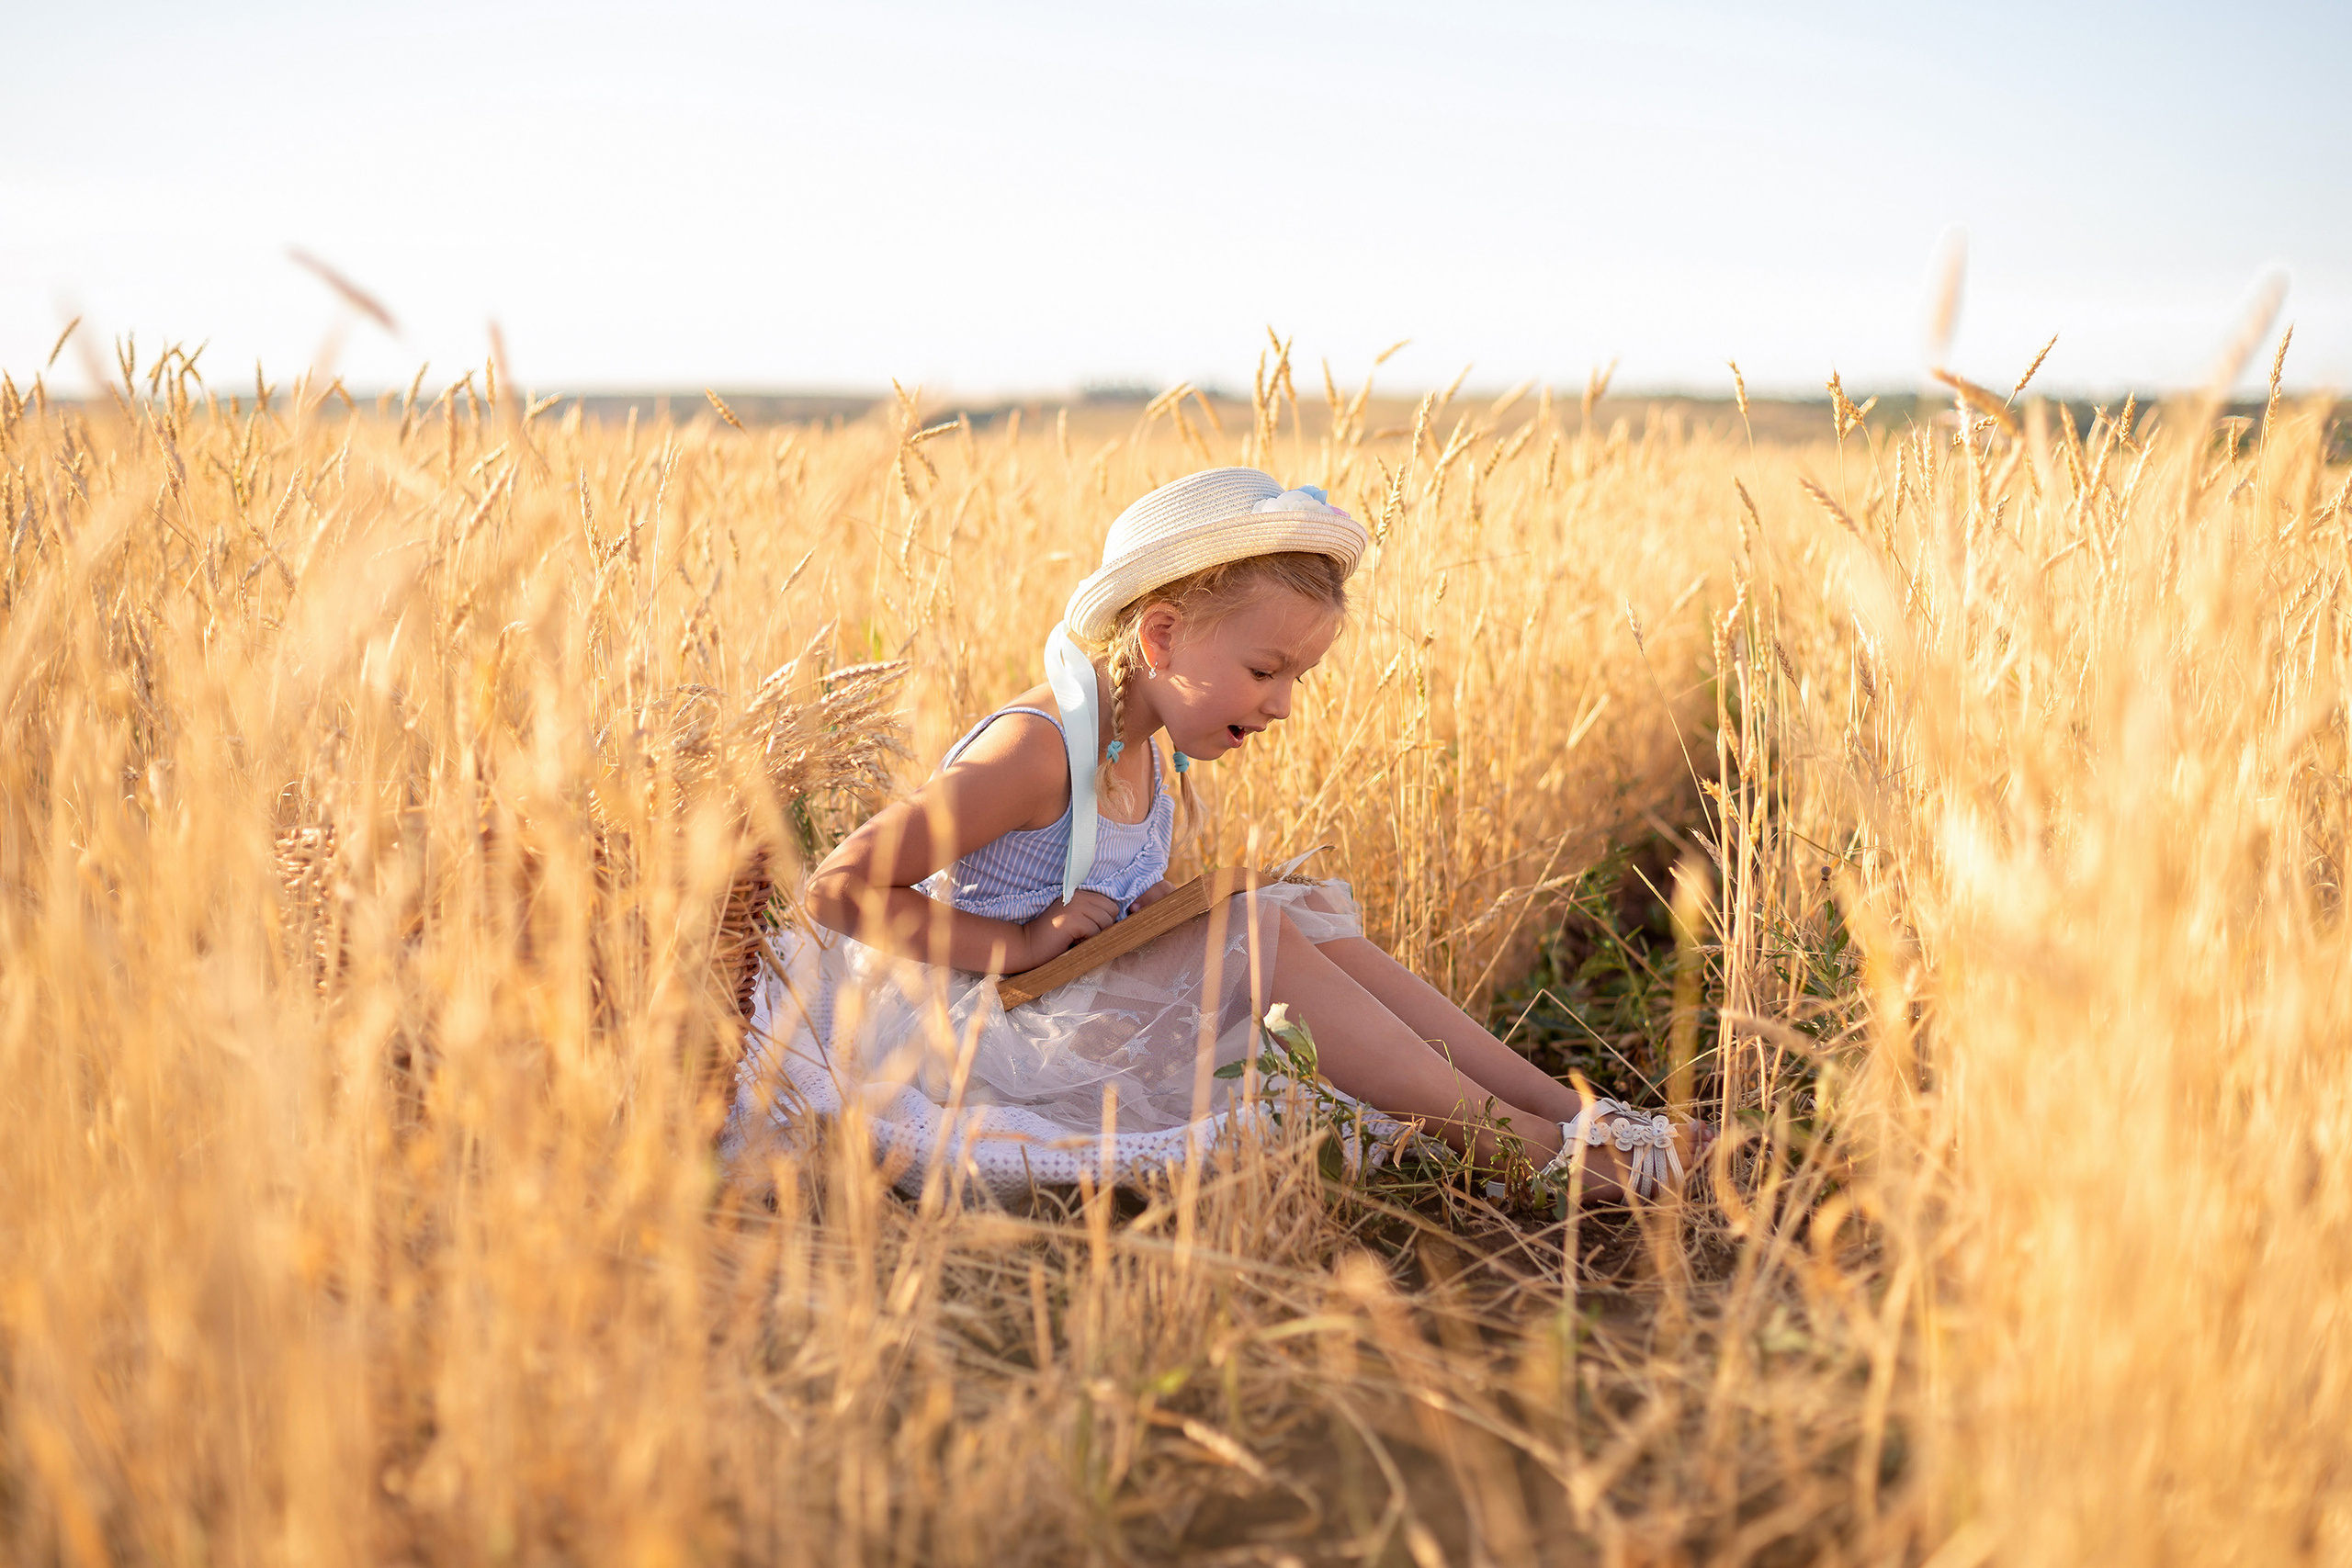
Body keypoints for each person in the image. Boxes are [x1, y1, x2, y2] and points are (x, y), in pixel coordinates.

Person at [733, 467, 1707, 1202]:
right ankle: (1532, 1153)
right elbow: (840, 887)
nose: (1282, 704)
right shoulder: (1040, 751)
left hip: (1047, 1000)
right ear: (1160, 638)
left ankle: (1571, 1111)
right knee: (1264, 937)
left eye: (1297, 679)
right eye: (1263, 670)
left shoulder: (1142, 743)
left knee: (1284, 914)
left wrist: (1135, 920)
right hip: (963, 1025)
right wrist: (1023, 943)